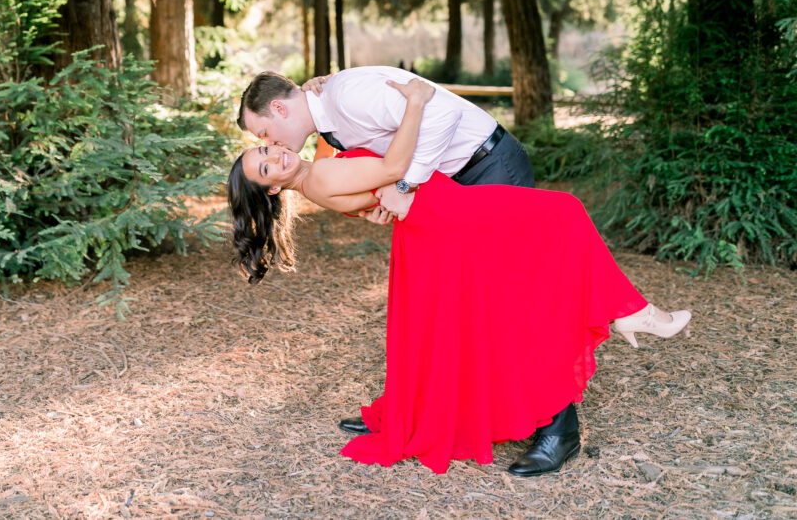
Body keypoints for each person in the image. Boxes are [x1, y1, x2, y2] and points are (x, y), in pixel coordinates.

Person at [227, 78, 692, 476]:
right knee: (562, 217)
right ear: (271, 187)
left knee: (468, 309)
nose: (276, 150)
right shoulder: (318, 177)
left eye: (266, 143)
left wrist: (314, 90)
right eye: (267, 161)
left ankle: (625, 314)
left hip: (436, 211)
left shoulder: (317, 162)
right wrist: (414, 103)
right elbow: (391, 168)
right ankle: (628, 313)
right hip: (443, 213)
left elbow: (340, 157)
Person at [237, 67, 544, 453]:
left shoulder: (347, 96)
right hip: (452, 188)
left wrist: (402, 186)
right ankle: (437, 414)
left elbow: (442, 114)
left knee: (508, 305)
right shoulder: (326, 117)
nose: (269, 142)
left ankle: (558, 428)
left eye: (263, 134)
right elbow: (344, 167)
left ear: (279, 109)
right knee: (462, 309)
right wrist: (376, 200)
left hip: (489, 168)